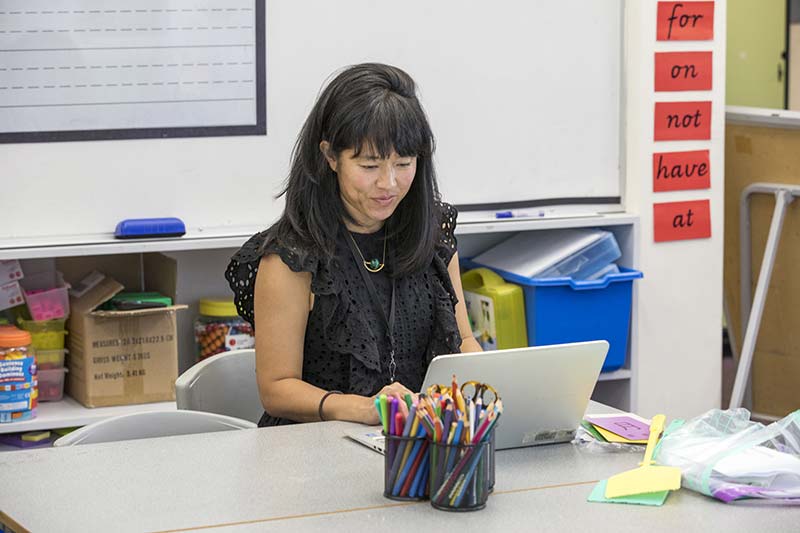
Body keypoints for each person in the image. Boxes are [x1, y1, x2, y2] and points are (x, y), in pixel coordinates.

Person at [226, 63, 481, 428]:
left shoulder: (432, 236)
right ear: (330, 157)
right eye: (369, 165)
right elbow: (277, 389)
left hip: (418, 441)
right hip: (313, 449)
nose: (388, 183)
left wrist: (489, 384)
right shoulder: (291, 258)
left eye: (403, 163)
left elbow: (464, 342)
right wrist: (358, 408)